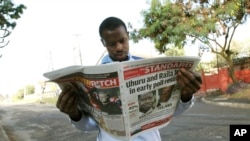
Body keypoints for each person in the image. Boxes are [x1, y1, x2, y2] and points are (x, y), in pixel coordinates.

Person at [56, 16, 202, 141]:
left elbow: (172, 112)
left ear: (128, 36)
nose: (119, 47)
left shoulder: (148, 66)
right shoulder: (92, 78)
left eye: (122, 40)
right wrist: (74, 114)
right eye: (111, 44)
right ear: (103, 43)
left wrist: (186, 95)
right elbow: (90, 126)